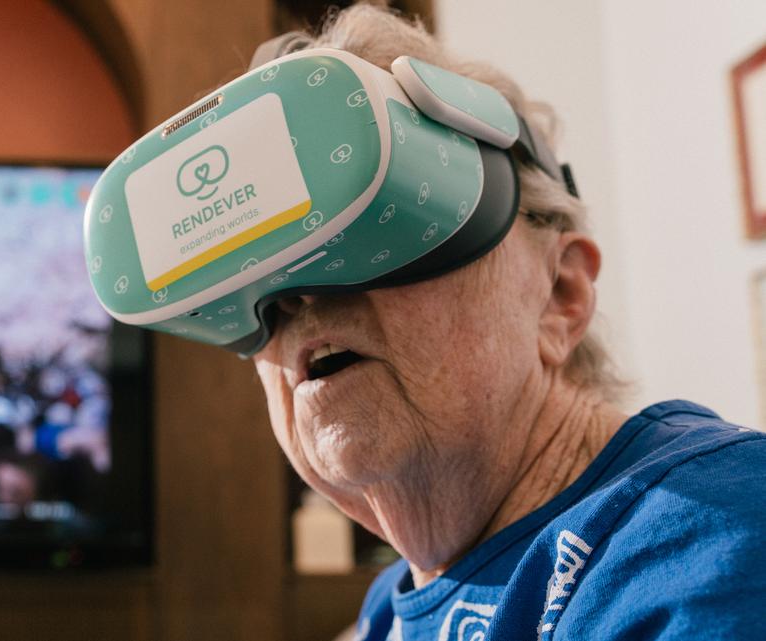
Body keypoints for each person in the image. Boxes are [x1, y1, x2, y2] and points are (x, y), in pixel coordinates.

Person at [246, 5, 766, 640]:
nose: (297, 297)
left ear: (559, 295)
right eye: (259, 277)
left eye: (382, 227)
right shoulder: (391, 603)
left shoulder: (712, 531)